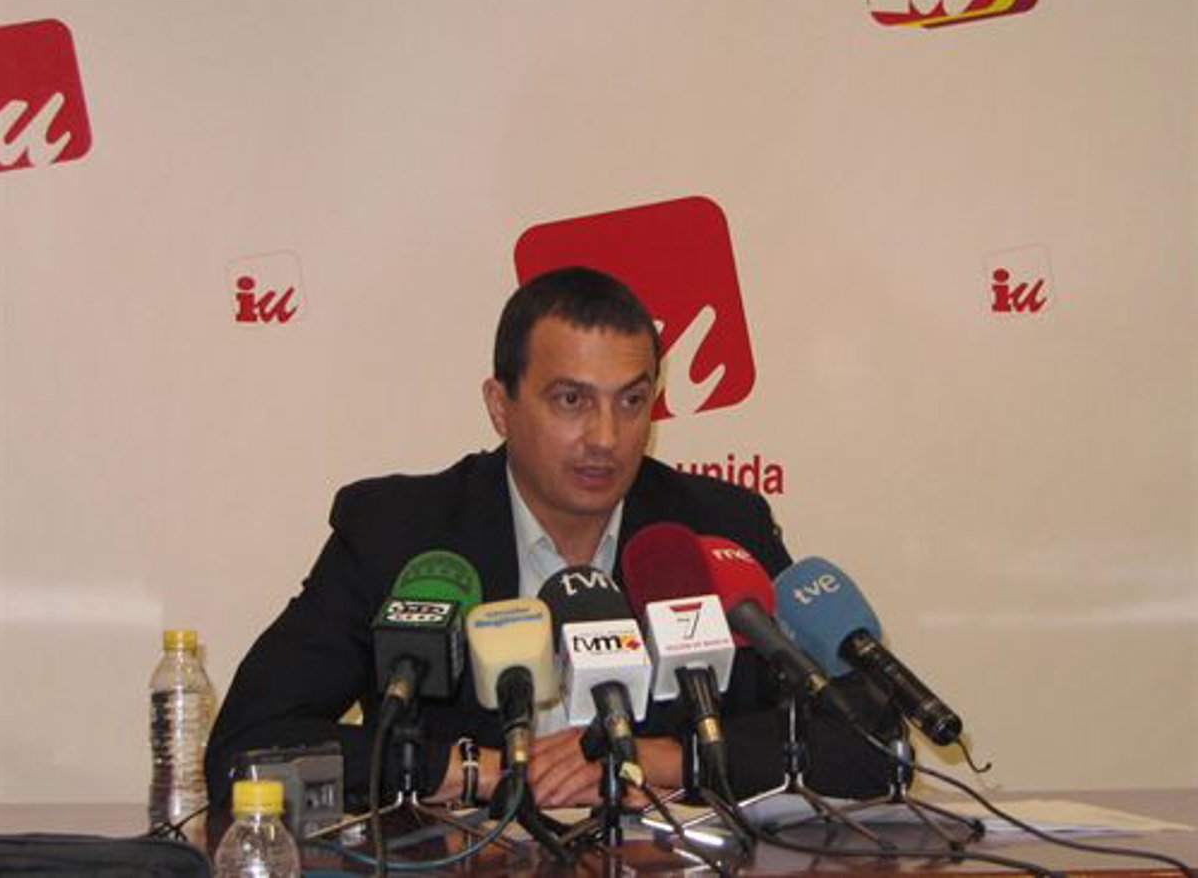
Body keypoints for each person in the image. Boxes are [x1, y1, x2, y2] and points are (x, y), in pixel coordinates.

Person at [205, 266, 892, 812]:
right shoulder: (400, 535)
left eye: (632, 401)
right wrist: (483, 770)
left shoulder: (719, 529)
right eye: (571, 401)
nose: (606, 438)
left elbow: (873, 740)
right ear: (500, 406)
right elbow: (246, 748)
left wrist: (660, 759)